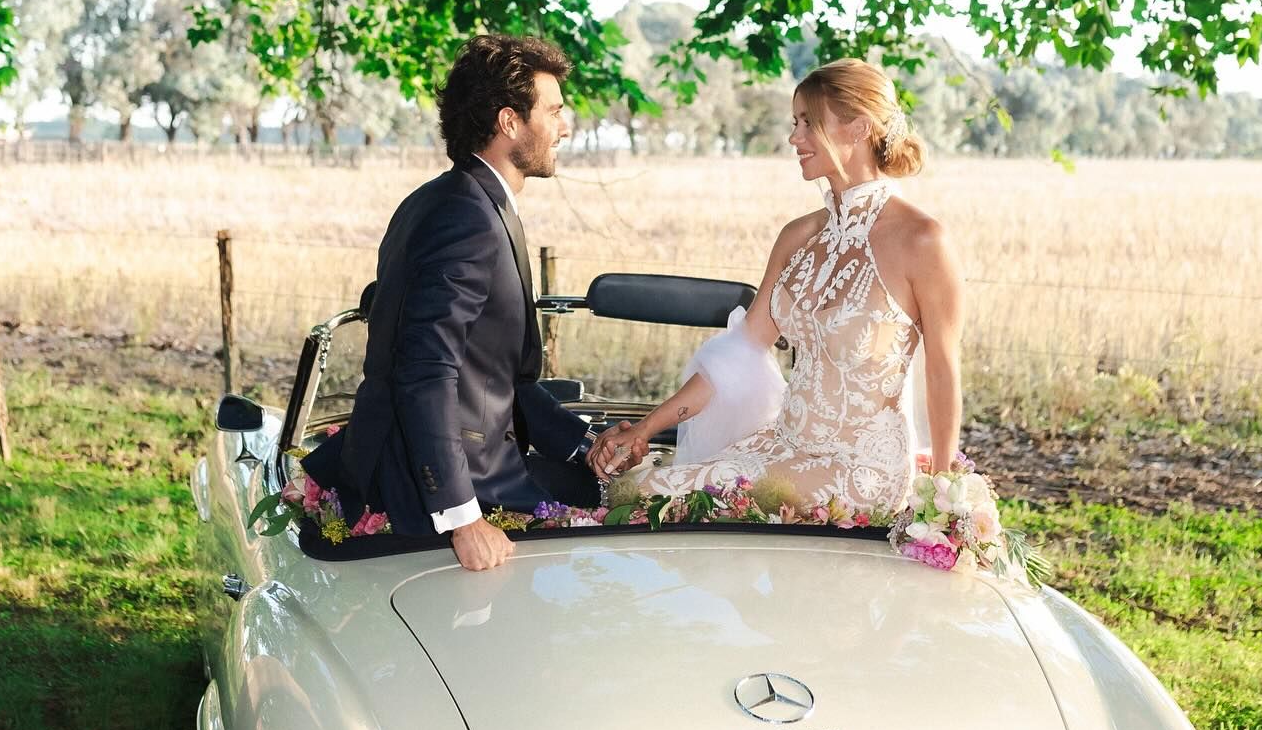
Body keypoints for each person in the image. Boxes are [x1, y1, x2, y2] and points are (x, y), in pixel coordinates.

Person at [589, 59, 964, 518]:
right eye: (794, 123)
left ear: (858, 129)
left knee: (678, 504)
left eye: (809, 123)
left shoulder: (922, 241)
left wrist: (943, 499)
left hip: (857, 472)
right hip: (781, 446)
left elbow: (943, 372)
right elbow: (736, 358)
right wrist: (644, 430)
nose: (794, 138)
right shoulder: (798, 237)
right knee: (639, 487)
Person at [301, 34, 599, 570]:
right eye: (552, 112)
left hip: (478, 456)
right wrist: (463, 518)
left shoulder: (449, 199)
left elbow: (492, 375)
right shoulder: (467, 217)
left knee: (602, 489)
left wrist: (586, 444)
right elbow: (425, 370)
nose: (565, 126)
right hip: (433, 487)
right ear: (510, 122)